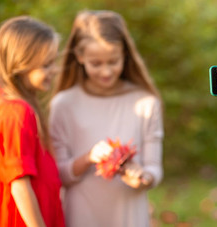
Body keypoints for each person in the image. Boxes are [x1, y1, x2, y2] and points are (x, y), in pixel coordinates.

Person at [49, 10, 164, 227]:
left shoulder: (146, 103)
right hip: (80, 217)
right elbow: (57, 175)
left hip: (130, 217)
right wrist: (88, 158)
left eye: (113, 61)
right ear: (80, 57)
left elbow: (154, 169)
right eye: (96, 63)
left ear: (125, 55)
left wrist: (141, 178)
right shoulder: (63, 104)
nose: (106, 71)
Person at [0, 16, 65, 227]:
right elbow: (19, 185)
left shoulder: (12, 105)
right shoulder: (16, 112)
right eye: (46, 65)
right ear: (21, 64)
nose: (54, 69)